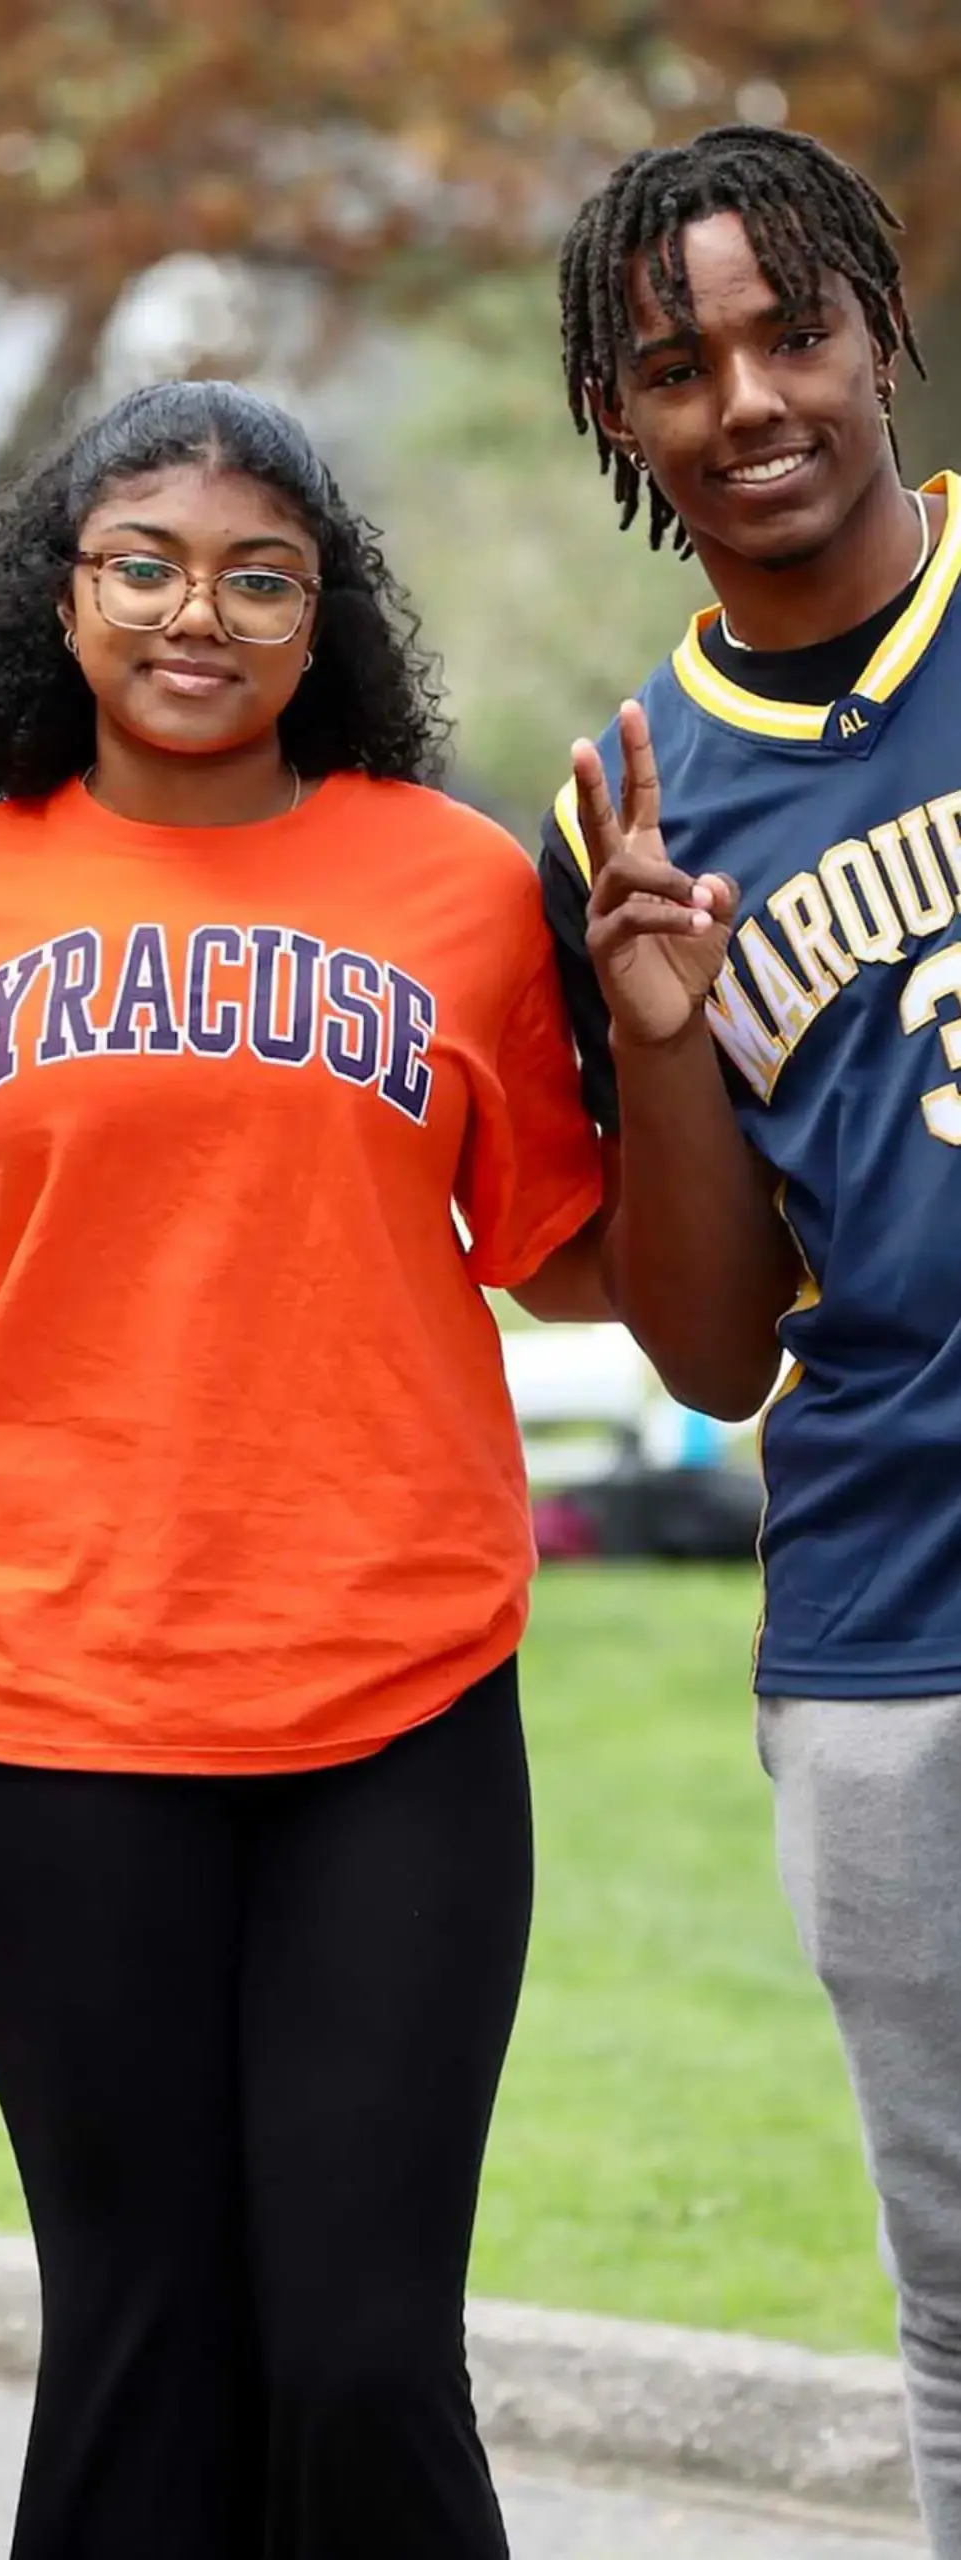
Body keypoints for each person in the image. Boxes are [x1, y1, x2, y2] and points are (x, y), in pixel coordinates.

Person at [0, 378, 604, 2559]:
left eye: (259, 576)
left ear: (325, 614)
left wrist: (652, 1029)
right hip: (38, 1705)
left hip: (391, 1691)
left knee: (365, 2345)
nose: (200, 616)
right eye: (146, 567)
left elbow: (570, 1267)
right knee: (143, 2324)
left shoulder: (460, 881)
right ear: (60, 591)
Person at [541, 122, 961, 2555]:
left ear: (878, 332)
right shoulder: (630, 792)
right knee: (954, 2294)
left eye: (790, 330)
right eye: (674, 363)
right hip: (894, 1621)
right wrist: (664, 1027)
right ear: (620, 423)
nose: (748, 398)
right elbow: (706, 1352)